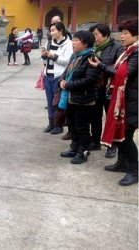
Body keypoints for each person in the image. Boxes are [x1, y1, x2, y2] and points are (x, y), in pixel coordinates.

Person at [88, 18, 138, 186]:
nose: (122, 36)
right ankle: (122, 163)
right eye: (121, 33)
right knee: (120, 136)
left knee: (127, 137)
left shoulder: (136, 53)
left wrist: (100, 66)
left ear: (136, 35)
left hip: (131, 101)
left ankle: (134, 171)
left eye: (125, 33)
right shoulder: (128, 51)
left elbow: (123, 74)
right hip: (122, 98)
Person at [59, 30, 100, 164]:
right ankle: (74, 148)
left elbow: (90, 80)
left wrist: (68, 85)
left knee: (82, 127)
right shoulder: (75, 56)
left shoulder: (91, 58)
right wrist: (62, 80)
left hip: (84, 99)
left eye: (77, 40)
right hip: (72, 98)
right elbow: (66, 72)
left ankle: (82, 152)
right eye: (74, 39)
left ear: (86, 43)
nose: (73, 42)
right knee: (73, 125)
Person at [87, 23, 124, 158]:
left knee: (110, 116)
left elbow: (118, 71)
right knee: (95, 115)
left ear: (106, 34)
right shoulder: (92, 48)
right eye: (93, 35)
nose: (94, 37)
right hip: (95, 87)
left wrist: (100, 65)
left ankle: (111, 145)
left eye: (96, 34)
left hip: (110, 88)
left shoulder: (117, 48)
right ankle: (96, 141)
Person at [41, 22, 73, 134]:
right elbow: (44, 61)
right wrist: (44, 56)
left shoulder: (68, 44)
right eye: (50, 30)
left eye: (53, 30)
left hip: (59, 77)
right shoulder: (48, 43)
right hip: (48, 75)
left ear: (61, 30)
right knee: (49, 102)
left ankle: (58, 125)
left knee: (58, 102)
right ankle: (51, 123)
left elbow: (67, 61)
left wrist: (53, 56)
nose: (51, 33)